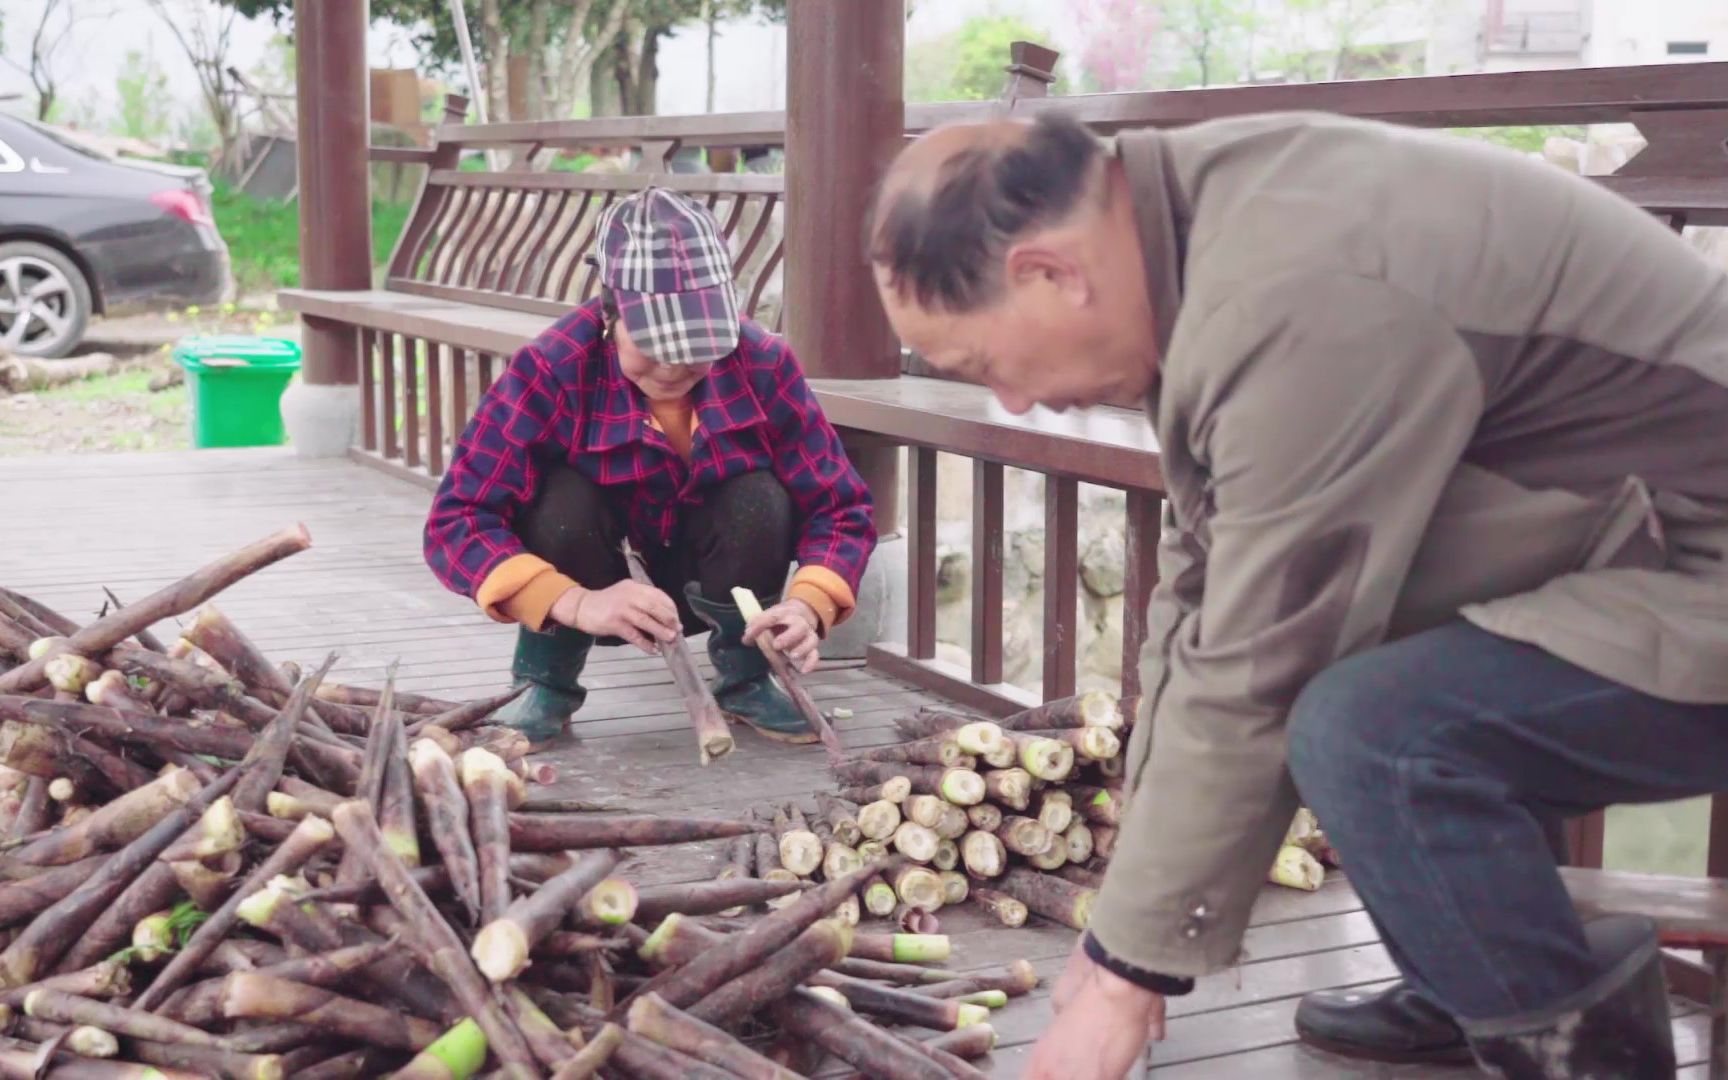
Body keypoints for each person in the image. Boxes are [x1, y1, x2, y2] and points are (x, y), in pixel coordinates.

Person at [867, 110, 1728, 1079]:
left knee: (1374, 731)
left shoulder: (1303, 291)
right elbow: (1203, 599)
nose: (1011, 402)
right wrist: (1121, 924)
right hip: (1630, 535)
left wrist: (1123, 981)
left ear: (1050, 273)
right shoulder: (1191, 221)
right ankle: (1468, 982)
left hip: (1700, 562)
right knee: (1371, 679)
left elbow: (1261, 656)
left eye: (981, 366)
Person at [425, 186, 876, 748]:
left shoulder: (763, 362)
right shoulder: (553, 365)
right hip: (594, 575)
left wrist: (808, 605)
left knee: (759, 496)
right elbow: (458, 518)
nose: (674, 367)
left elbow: (840, 507)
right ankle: (545, 681)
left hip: (717, 573)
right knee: (558, 499)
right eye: (656, 345)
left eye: (695, 347)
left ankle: (747, 675)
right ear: (611, 313)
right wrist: (577, 602)